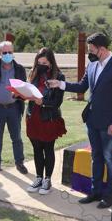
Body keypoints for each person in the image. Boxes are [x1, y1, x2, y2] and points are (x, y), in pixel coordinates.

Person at [48, 33, 112, 208]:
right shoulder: (92, 66)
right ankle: (96, 192)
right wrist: (60, 84)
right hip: (92, 121)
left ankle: (111, 195)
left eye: (91, 50)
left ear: (102, 49)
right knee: (96, 157)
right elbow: (81, 86)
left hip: (109, 125)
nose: (89, 53)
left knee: (110, 159)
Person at [21, 48, 66, 195]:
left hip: (48, 118)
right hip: (32, 116)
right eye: (39, 62)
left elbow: (57, 102)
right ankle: (38, 177)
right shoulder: (33, 74)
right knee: (36, 148)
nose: (41, 65)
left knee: (48, 148)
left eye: (44, 63)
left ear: (51, 63)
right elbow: (29, 92)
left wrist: (43, 102)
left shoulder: (59, 77)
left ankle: (47, 179)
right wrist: (19, 94)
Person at [0, 41, 28, 174]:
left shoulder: (20, 69)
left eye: (10, 52)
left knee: (17, 138)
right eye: (4, 52)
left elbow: (23, 87)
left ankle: (19, 163)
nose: (7, 54)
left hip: (14, 108)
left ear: (13, 52)